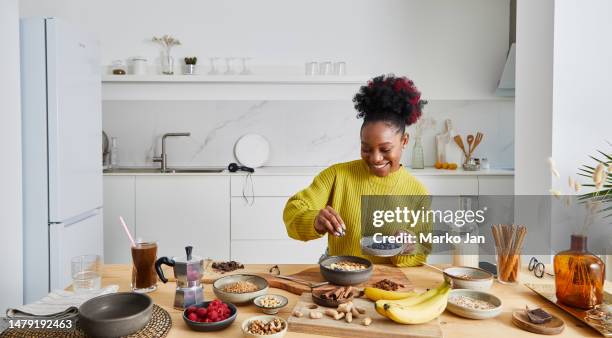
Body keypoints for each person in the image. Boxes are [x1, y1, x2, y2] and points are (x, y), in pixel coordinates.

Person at [283, 74, 432, 267]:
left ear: (404, 142)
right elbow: (293, 212)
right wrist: (315, 220)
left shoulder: (417, 193)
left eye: (385, 149)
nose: (375, 158)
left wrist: (408, 246)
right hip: (340, 275)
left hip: (388, 281)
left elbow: (422, 251)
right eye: (366, 149)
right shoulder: (337, 176)